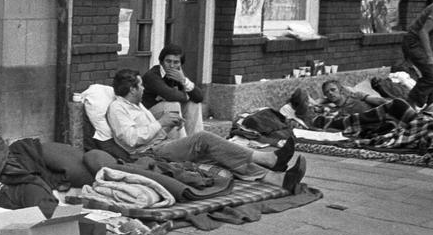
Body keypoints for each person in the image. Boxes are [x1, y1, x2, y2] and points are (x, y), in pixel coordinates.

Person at [107, 69, 306, 190]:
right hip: (147, 154)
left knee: (221, 154)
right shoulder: (118, 109)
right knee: (202, 138)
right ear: (132, 89)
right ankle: (268, 159)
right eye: (140, 86)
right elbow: (132, 140)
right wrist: (161, 123)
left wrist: (168, 125)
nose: (143, 89)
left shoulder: (137, 105)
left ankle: (277, 179)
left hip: (160, 145)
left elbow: (148, 132)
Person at [141, 44, 205, 136]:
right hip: (149, 114)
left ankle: (196, 141)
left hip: (167, 112)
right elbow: (170, 95)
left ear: (180, 64)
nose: (171, 65)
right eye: (168, 61)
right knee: (173, 105)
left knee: (193, 103)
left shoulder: (178, 75)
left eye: (176, 62)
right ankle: (181, 144)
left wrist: (183, 80)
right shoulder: (152, 75)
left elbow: (199, 97)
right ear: (161, 62)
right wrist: (186, 95)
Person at [402, 0, 433, 107]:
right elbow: (423, 31)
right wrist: (429, 57)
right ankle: (410, 104)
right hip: (414, 42)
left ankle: (432, 108)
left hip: (428, 46)